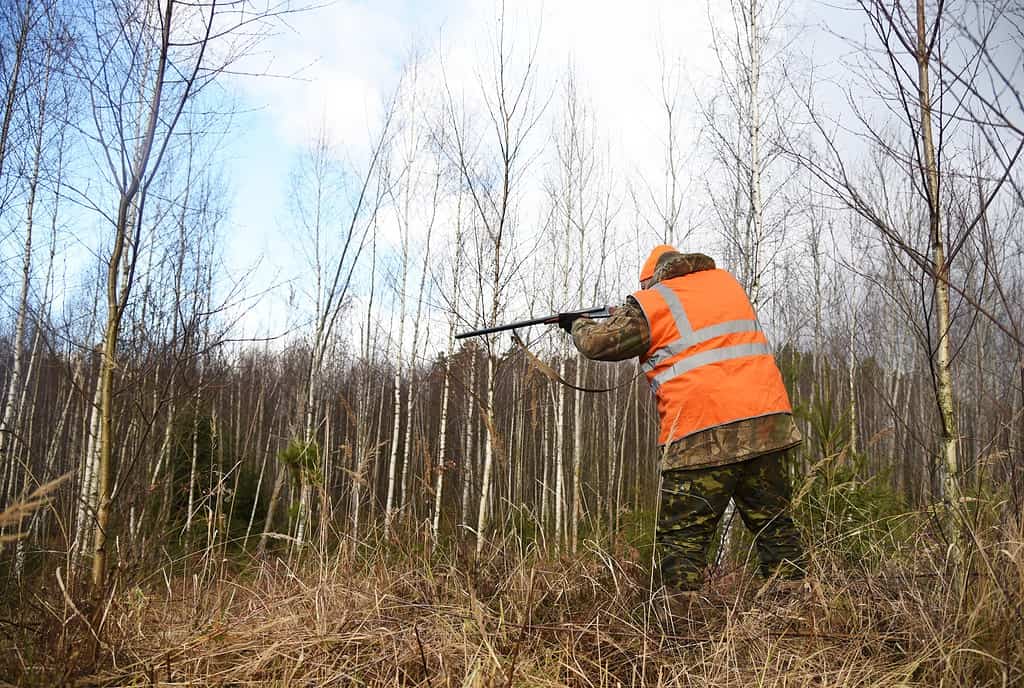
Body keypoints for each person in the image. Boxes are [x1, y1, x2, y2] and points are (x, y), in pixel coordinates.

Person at [567, 245, 805, 592]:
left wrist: (576, 324)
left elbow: (598, 343)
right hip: (769, 426)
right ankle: (798, 615)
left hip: (702, 433)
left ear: (652, 279)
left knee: (682, 544)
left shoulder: (656, 301)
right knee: (776, 528)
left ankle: (682, 633)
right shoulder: (726, 285)